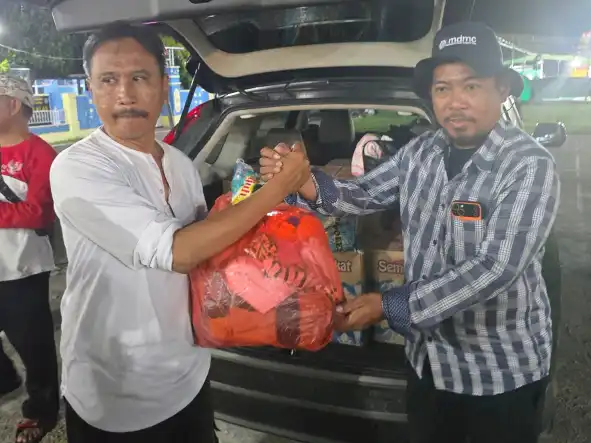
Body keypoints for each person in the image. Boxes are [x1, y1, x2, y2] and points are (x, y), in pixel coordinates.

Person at [260, 22, 560, 443]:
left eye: (471, 86)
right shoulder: (421, 153)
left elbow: (493, 269)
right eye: (442, 89)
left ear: (502, 88)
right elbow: (363, 194)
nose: (455, 102)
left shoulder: (529, 165)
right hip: (427, 365)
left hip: (497, 375)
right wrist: (302, 181)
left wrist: (388, 305)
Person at [49, 23, 310, 443]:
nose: (125, 95)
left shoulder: (181, 165)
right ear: (91, 88)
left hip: (189, 371)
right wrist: (278, 188)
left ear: (163, 85)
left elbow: (212, 252)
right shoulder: (77, 168)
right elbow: (180, 252)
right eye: (108, 80)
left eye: (139, 77)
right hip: (117, 392)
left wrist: (294, 292)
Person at [0, 74, 59, 443]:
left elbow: (38, 213)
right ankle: (6, 381)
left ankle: (41, 410)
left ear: (12, 104)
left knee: (34, 346)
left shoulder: (40, 154)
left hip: (23, 269)